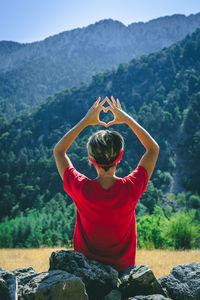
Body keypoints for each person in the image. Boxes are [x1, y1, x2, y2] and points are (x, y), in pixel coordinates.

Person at [53, 96, 159, 278]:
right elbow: (153, 149)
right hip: (123, 270)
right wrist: (127, 119)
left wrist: (85, 122)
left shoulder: (81, 189)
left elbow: (59, 151)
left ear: (90, 158)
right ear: (120, 157)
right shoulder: (131, 188)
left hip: (86, 270)